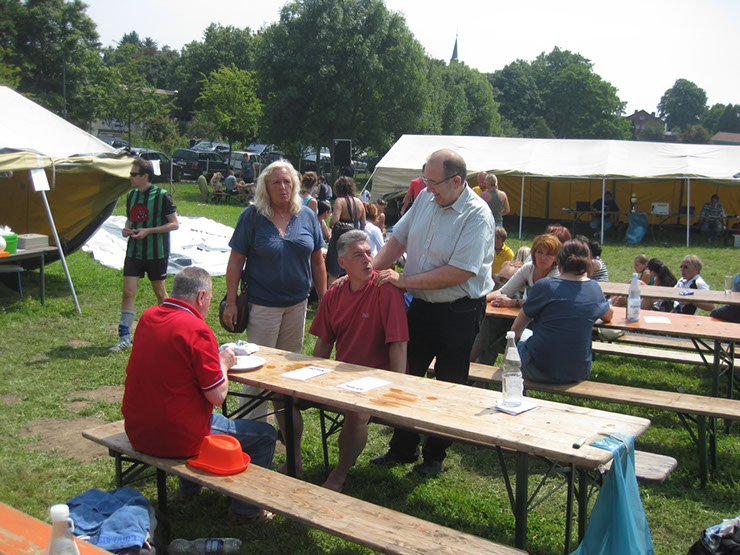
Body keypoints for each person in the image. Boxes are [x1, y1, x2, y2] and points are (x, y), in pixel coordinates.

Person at [370, 149, 494, 478]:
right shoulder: (426, 197)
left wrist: (404, 281)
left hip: (460, 310)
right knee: (407, 373)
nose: (426, 188)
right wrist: (369, 274)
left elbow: (460, 271)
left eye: (433, 182)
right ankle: (402, 447)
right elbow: (398, 240)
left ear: (457, 181)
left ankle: (435, 454)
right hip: (422, 304)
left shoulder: (477, 215)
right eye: (424, 179)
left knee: (448, 383)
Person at [121, 266, 276, 524]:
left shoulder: (148, 317)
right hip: (176, 438)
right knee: (266, 436)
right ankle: (245, 512)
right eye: (210, 300)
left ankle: (189, 491)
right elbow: (217, 396)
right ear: (201, 296)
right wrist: (223, 363)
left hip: (138, 430)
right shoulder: (197, 329)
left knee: (187, 409)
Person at [284, 231, 409, 490]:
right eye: (358, 255)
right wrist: (309, 381)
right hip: (339, 376)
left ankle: (339, 475)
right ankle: (294, 459)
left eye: (369, 253)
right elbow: (324, 343)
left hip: (376, 380)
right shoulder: (335, 291)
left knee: (356, 410)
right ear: (342, 263)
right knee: (281, 395)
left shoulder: (386, 290)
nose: (367, 259)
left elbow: (398, 344)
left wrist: (396, 389)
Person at [223, 160, 327, 419]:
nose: (282, 187)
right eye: (276, 182)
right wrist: (232, 302)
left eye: (287, 182)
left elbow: (317, 261)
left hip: (297, 305)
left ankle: (287, 432)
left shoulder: (307, 216)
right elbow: (235, 261)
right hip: (262, 306)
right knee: (256, 372)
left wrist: (325, 300)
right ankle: (250, 431)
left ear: (295, 185)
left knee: (286, 374)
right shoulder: (252, 216)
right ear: (265, 187)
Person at [511, 240, 613, 384]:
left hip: (540, 369)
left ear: (558, 261)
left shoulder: (545, 286)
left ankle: (513, 391)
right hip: (578, 371)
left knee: (522, 338)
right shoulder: (594, 288)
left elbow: (516, 328)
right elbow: (608, 315)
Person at [110, 159, 179, 352]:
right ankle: (124, 337)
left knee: (160, 293)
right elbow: (131, 219)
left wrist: (149, 231)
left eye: (134, 174)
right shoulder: (131, 195)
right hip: (134, 252)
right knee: (128, 292)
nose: (130, 178)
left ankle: (167, 334)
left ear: (145, 176)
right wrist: (127, 228)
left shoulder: (162, 196)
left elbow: (174, 224)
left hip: (156, 252)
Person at [326, 176, 366, 285]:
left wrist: (330, 223)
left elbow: (334, 221)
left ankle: (333, 295)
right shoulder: (359, 202)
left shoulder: (340, 201)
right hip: (354, 240)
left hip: (339, 241)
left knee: (333, 273)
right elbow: (363, 224)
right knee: (350, 272)